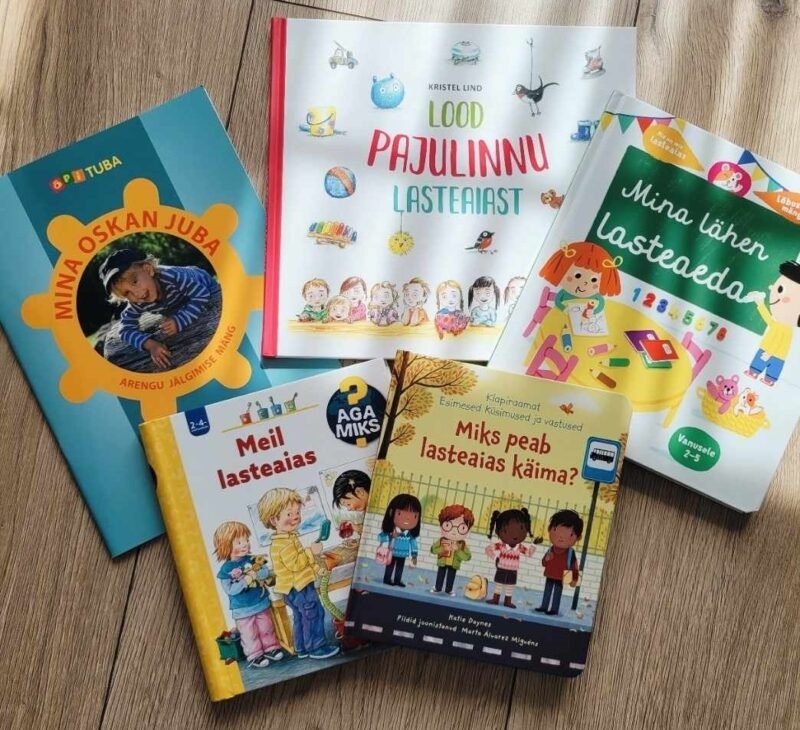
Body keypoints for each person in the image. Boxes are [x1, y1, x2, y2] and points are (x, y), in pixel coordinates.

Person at [99, 248, 217, 369]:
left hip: (205, 285)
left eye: (134, 282)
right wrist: (150, 345)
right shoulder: (137, 301)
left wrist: (180, 320)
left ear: (148, 270)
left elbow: (201, 294)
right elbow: (125, 329)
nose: (137, 294)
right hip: (178, 301)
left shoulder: (173, 277)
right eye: (127, 293)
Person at [257, 488, 339, 660]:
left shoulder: (289, 537)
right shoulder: (283, 544)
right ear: (273, 519)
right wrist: (311, 551)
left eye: (297, 512)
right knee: (313, 615)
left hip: (293, 588)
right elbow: (296, 564)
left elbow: (303, 561)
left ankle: (301, 648)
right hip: (299, 588)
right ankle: (316, 647)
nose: (295, 517)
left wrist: (317, 569)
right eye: (289, 514)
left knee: (301, 617)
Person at [212, 521, 284, 668]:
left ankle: (271, 647)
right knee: (249, 633)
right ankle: (255, 655)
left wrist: (258, 572)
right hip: (242, 609)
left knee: (266, 627)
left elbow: (265, 572)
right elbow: (230, 590)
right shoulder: (226, 569)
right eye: (239, 542)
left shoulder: (252, 559)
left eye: (246, 540)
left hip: (260, 602)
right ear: (225, 546)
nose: (245, 544)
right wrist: (246, 580)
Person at [745, 260, 800, 386]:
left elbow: (780, 341)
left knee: (771, 368)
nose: (784, 299)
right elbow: (769, 320)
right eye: (779, 289)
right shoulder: (778, 323)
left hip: (774, 353)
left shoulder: (787, 329)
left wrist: (770, 352)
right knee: (760, 364)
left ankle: (768, 379)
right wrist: (760, 303)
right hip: (768, 349)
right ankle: (757, 374)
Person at [538, 241, 622, 314]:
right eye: (577, 275)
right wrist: (564, 309)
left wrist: (593, 312)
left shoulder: (596, 297)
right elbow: (557, 301)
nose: (584, 283)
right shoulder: (563, 293)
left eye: (594, 280)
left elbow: (601, 304)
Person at [484, 507, 535, 609]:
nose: (515, 535)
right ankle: (495, 599)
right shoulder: (501, 545)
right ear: (499, 531)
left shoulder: (520, 547)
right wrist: (495, 558)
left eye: (520, 529)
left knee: (510, 586)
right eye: (507, 531)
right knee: (499, 584)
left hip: (513, 570)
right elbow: (488, 549)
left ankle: (508, 601)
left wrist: (534, 545)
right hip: (501, 568)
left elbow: (529, 553)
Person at [534, 510, 582, 616]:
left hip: (561, 576)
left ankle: (554, 609)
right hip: (550, 573)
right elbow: (544, 563)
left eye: (569, 534)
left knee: (557, 592)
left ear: (578, 537)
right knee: (547, 591)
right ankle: (544, 606)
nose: (561, 537)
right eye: (555, 530)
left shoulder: (570, 552)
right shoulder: (551, 548)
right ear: (550, 529)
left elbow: (574, 565)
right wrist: (546, 559)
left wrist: (575, 578)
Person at [378, 493, 421, 587]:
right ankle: (387, 579)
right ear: (391, 512)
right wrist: (390, 537)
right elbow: (381, 537)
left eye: (414, 516)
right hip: (392, 552)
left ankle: (397, 580)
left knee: (400, 568)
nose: (407, 519)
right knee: (390, 565)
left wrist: (414, 554)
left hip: (403, 554)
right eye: (400, 513)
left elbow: (413, 543)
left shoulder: (409, 534)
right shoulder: (392, 531)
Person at [429, 504, 474, 596]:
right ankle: (438, 588)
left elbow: (467, 557)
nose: (454, 531)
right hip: (442, 562)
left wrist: (458, 550)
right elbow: (433, 549)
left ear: (468, 530)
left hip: (454, 565)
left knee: (451, 577)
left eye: (462, 528)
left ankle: (448, 590)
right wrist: (443, 548)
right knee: (440, 575)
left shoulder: (462, 544)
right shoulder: (442, 540)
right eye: (448, 525)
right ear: (441, 526)